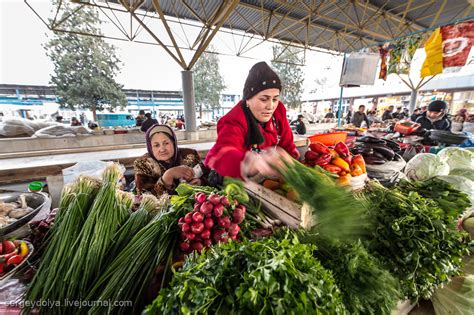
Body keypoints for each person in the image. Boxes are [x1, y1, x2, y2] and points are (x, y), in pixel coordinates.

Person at [204, 61, 299, 179]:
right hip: (237, 180)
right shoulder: (234, 120)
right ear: (248, 99)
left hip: (266, 179)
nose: (270, 106)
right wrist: (251, 162)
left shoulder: (278, 111)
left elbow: (288, 147)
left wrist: (291, 163)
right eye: (264, 99)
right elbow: (225, 153)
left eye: (275, 99)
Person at [134, 124, 206, 197]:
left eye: (166, 143)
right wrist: (168, 176)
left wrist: (200, 182)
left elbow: (207, 177)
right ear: (150, 147)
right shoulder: (143, 163)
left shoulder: (190, 155)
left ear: (174, 142)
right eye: (156, 145)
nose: (162, 149)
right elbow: (142, 196)